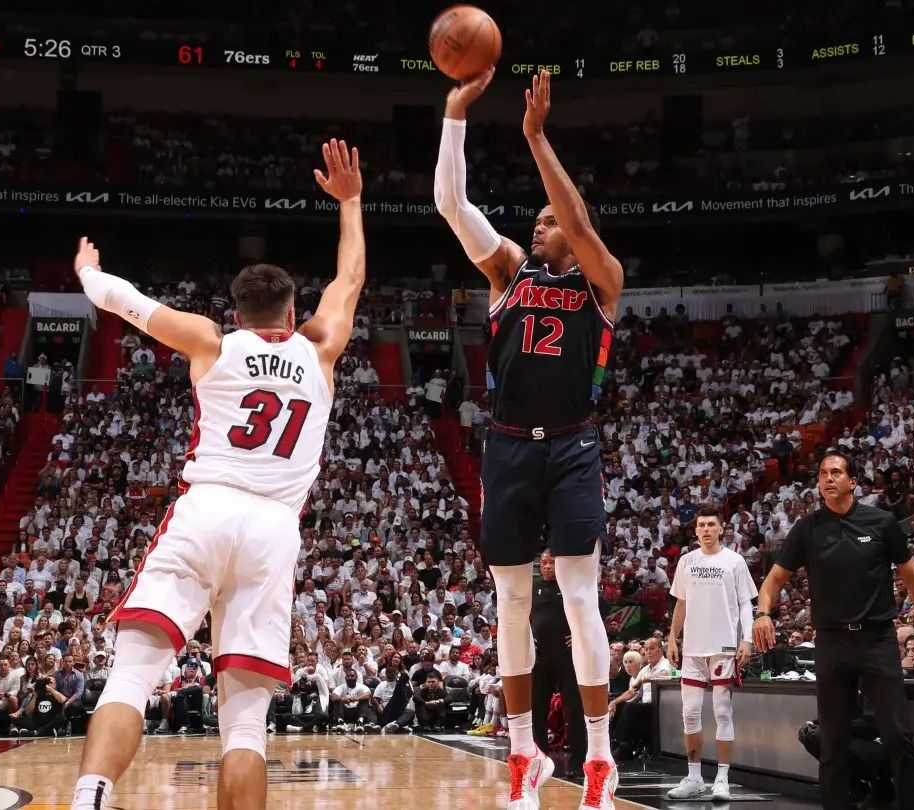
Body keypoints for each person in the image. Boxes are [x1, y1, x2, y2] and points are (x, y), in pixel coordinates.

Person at [70, 139, 366, 810]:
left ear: (238, 315)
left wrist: (89, 275)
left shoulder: (211, 340)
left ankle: (90, 794)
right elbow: (349, 281)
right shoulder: (320, 349)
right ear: (294, 313)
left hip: (207, 508)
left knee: (131, 678)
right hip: (273, 529)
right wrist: (349, 202)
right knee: (245, 723)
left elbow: (129, 304)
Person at [436, 67, 625, 810]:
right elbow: (452, 204)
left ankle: (601, 760)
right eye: (539, 218)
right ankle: (523, 754)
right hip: (508, 446)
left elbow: (579, 224)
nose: (539, 225)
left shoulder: (602, 279)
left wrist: (537, 137)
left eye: (548, 219)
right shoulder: (509, 270)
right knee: (510, 600)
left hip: (573, 445)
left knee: (579, 600)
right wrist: (456, 117)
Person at [753, 451, 914, 810]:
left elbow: (913, 577)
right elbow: (773, 580)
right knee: (833, 742)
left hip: (877, 639)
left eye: (836, 472)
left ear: (853, 481)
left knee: (898, 736)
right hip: (832, 642)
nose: (828, 478)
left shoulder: (881, 522)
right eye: (823, 472)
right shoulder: (807, 528)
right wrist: (763, 613)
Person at [665, 507, 756, 801]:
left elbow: (745, 604)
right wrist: (672, 638)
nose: (705, 529)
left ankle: (722, 779)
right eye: (701, 525)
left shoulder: (735, 561)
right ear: (696, 530)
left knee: (721, 712)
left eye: (711, 525)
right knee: (689, 713)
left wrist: (747, 639)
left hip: (725, 648)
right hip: (692, 648)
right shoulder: (686, 561)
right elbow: (681, 603)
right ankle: (693, 777)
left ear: (721, 529)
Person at [531, 549, 586, 766]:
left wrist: (580, 633)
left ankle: (578, 759)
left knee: (573, 708)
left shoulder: (572, 586)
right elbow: (521, 614)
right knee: (537, 708)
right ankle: (540, 757)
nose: (546, 567)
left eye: (551, 563)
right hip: (540, 656)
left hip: (566, 655)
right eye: (543, 563)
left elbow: (596, 608)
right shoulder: (533, 587)